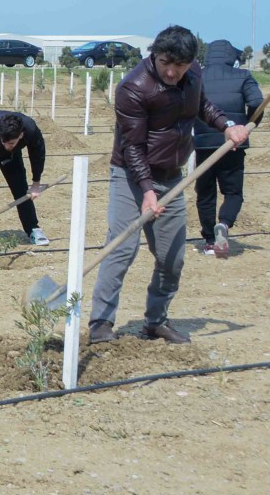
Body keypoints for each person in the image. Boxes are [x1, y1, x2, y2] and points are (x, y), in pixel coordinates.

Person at [89, 25, 248, 345]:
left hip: (172, 175)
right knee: (122, 248)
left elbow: (201, 105)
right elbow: (133, 148)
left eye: (181, 65)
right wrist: (147, 191)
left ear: (191, 61)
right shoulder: (133, 87)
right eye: (165, 63)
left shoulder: (193, 73)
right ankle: (101, 323)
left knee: (172, 256)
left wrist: (227, 127)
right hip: (131, 177)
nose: (173, 71)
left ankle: (155, 321)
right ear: (154, 55)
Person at [192, 39, 263, 257]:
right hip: (233, 143)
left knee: (205, 193)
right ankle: (224, 223)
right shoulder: (242, 76)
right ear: (231, 57)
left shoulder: (196, 77)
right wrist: (249, 124)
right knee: (233, 192)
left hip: (204, 144)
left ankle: (210, 240)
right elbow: (257, 102)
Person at [0, 110, 49, 246]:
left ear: (21, 135)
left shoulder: (30, 129)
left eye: (11, 143)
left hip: (10, 142)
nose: (7, 147)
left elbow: (38, 154)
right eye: (4, 143)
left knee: (20, 186)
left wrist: (36, 183)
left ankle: (33, 229)